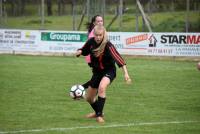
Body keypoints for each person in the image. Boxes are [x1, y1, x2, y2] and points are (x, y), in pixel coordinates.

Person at [76, 25, 132, 123]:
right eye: (96, 35)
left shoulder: (108, 45)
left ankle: (99, 115)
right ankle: (97, 111)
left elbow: (119, 59)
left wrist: (126, 74)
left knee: (102, 87)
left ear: (103, 34)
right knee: (89, 98)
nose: (98, 37)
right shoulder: (91, 42)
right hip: (97, 73)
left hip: (109, 71)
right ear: (94, 34)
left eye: (100, 35)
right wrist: (79, 52)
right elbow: (83, 50)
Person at [82, 15, 104, 89]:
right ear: (94, 23)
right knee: (98, 79)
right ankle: (82, 88)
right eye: (98, 21)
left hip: (97, 59)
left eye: (101, 21)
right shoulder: (93, 34)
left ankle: (82, 88)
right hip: (93, 59)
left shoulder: (99, 31)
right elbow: (92, 48)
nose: (100, 23)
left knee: (98, 78)